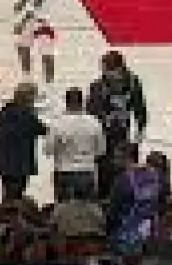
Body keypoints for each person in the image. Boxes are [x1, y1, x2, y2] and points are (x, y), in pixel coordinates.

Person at [87, 50, 148, 196]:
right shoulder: (98, 86)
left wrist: (140, 130)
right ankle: (104, 196)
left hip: (124, 134)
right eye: (104, 70)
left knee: (126, 170)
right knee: (104, 170)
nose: (105, 73)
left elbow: (140, 108)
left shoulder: (132, 83)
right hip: (104, 136)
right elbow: (91, 111)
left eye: (108, 70)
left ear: (119, 69)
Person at [0, 82, 49, 202]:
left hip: (3, 161)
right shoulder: (26, 115)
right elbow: (42, 130)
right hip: (20, 163)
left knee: (8, 193)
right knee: (17, 196)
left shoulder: (3, 112)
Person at [45, 87, 105, 201]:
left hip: (64, 170)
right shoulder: (94, 122)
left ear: (66, 102)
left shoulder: (58, 124)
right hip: (87, 170)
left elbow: (49, 149)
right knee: (87, 207)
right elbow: (101, 150)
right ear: (82, 102)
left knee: (63, 208)